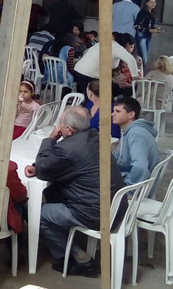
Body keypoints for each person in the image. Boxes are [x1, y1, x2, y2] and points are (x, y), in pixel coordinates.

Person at [23, 107, 126, 276]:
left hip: (93, 213)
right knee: (53, 192)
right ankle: (66, 242)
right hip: (114, 206)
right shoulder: (94, 137)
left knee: (35, 212)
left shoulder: (68, 149)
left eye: (60, 124)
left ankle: (77, 258)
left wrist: (51, 139)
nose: (58, 127)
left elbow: (43, 168)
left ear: (69, 130)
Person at [112, 97, 159, 185]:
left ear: (131, 114)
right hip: (127, 180)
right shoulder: (129, 131)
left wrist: (130, 191)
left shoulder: (136, 134)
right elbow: (116, 158)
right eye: (113, 111)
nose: (112, 114)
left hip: (135, 189)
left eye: (117, 111)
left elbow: (140, 167)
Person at [134, 0, 161, 67]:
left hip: (147, 36)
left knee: (144, 57)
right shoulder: (142, 13)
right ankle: (140, 73)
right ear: (146, 3)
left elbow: (147, 25)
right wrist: (150, 30)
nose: (153, 4)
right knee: (143, 58)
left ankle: (141, 72)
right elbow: (137, 25)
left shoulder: (151, 13)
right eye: (151, 2)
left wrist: (155, 28)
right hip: (141, 36)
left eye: (154, 2)